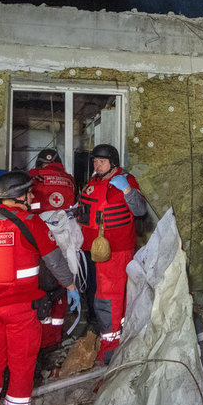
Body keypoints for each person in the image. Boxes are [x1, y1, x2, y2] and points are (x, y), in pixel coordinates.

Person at [0, 170, 79, 405]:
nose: (32, 197)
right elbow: (55, 261)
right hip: (22, 311)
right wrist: (70, 285)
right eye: (29, 193)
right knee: (21, 364)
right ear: (19, 196)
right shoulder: (32, 223)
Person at [77, 143, 146, 362]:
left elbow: (140, 210)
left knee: (107, 298)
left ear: (113, 163)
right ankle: (117, 335)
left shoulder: (126, 180)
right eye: (95, 161)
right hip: (93, 249)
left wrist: (127, 190)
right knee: (103, 294)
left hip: (116, 249)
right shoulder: (94, 181)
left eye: (102, 161)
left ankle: (110, 347)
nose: (97, 165)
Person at [28, 148, 77, 349]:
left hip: (39, 238)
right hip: (66, 239)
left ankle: (39, 339)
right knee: (61, 285)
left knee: (40, 287)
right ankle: (54, 339)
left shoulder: (32, 177)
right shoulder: (69, 180)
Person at [28, 148, 77, 212]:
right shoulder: (70, 179)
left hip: (37, 216)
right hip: (66, 216)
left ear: (39, 164)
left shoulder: (31, 176)